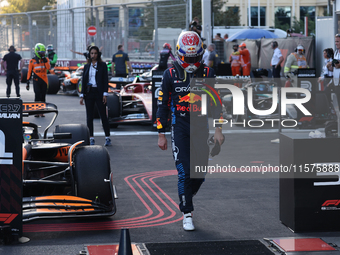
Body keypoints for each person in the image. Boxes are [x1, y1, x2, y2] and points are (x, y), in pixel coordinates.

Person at [156, 31, 224, 231]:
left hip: (201, 127)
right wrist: (161, 133)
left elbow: (217, 105)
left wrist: (218, 129)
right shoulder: (169, 74)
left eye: (196, 58)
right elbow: (162, 106)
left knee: (200, 174)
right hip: (180, 127)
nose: (192, 62)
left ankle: (186, 194)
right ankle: (187, 212)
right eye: (189, 57)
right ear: (179, 54)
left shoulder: (208, 74)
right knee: (185, 172)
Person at [79, 45, 111, 147]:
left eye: (95, 53)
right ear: (89, 54)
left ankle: (107, 137)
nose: (93, 55)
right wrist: (82, 95)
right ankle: (91, 138)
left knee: (103, 115)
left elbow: (105, 80)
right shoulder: (86, 66)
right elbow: (84, 81)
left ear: (98, 54)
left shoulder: (102, 65)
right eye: (92, 53)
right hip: (89, 92)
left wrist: (105, 94)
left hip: (99, 92)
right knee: (89, 117)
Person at [27, 43, 51, 117]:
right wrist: (27, 81)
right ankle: (36, 111)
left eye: (43, 53)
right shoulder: (32, 61)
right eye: (41, 53)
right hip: (36, 80)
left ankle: (42, 111)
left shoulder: (46, 59)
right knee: (37, 95)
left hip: (44, 80)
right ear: (37, 52)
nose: (43, 54)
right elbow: (29, 71)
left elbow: (48, 68)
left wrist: (45, 60)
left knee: (43, 96)